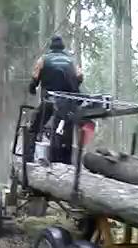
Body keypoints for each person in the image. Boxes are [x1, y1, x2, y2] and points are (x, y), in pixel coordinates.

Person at [26, 35, 83, 163]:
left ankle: (28, 159)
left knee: (33, 126)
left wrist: (32, 88)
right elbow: (79, 76)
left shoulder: (44, 59)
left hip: (49, 102)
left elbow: (35, 77)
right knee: (67, 133)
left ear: (51, 46)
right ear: (63, 47)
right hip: (68, 104)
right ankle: (67, 163)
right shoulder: (71, 60)